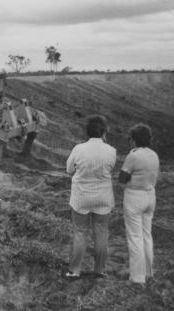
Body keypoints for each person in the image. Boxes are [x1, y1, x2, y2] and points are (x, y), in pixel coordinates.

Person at [66, 115, 116, 278]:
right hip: (103, 198)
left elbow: (69, 170)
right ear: (104, 131)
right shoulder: (111, 151)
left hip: (81, 197)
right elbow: (111, 169)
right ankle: (100, 270)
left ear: (87, 132)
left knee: (80, 232)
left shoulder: (78, 149)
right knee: (101, 233)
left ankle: (74, 271)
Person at [119, 124, 159, 284]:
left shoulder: (133, 156)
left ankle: (137, 277)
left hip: (134, 197)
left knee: (135, 238)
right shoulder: (154, 155)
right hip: (150, 196)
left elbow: (122, 178)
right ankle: (148, 272)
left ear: (134, 139)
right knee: (146, 235)